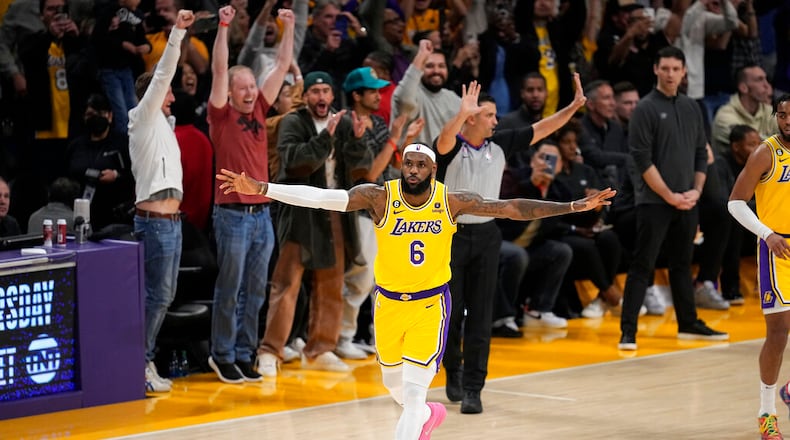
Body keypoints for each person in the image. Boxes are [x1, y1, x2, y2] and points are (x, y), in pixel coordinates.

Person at [217, 147, 615, 440]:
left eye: (420, 164)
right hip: (388, 305)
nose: (412, 169)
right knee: (396, 388)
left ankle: (417, 415)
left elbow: (511, 207)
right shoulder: (380, 197)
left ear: (433, 169)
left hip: (430, 306)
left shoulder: (451, 201)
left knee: (411, 392)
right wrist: (262, 188)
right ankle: (426, 415)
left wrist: (572, 206)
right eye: (408, 163)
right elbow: (323, 199)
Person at [435, 75, 587, 415]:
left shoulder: (500, 143)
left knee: (481, 315)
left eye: (495, 115)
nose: (495, 121)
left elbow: (542, 129)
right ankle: (453, 370)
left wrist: (572, 107)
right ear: (471, 119)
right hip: (451, 236)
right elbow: (443, 141)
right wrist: (461, 113)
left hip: (487, 236)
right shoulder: (452, 147)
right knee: (451, 313)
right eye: (488, 115)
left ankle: (474, 387)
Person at [254, 70, 372, 377]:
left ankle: (320, 349)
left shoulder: (344, 123)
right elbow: (295, 163)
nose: (321, 97)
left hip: (335, 210)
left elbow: (361, 171)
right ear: (305, 96)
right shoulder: (293, 123)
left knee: (331, 284)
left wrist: (358, 140)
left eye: (326, 91)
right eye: (315, 91)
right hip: (300, 212)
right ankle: (270, 350)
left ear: (332, 96)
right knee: (287, 283)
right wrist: (324, 138)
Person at [618, 46, 728, 351]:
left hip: (687, 200)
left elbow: (701, 153)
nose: (670, 74)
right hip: (654, 202)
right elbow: (642, 160)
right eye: (664, 68)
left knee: (683, 263)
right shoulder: (645, 108)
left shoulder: (692, 107)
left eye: (675, 69)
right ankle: (628, 331)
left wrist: (696, 191)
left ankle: (688, 322)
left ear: (683, 72)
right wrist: (669, 196)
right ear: (655, 69)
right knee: (643, 264)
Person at [206, 5, 294, 384]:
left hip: (262, 214)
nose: (249, 92)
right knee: (231, 289)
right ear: (230, 92)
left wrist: (288, 26)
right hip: (231, 213)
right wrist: (224, 26)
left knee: (257, 290)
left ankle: (245, 353)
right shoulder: (220, 114)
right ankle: (222, 355)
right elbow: (219, 69)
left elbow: (283, 64)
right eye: (242, 88)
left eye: (251, 86)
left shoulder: (259, 107)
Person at [128, 8, 195, 393]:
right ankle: (140, 363)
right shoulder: (141, 118)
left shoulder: (164, 127)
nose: (172, 94)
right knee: (157, 295)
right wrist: (177, 34)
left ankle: (142, 360)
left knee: (163, 295)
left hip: (172, 223)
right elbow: (164, 73)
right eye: (167, 89)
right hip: (155, 224)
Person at [728, 93, 790, 440]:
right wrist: (767, 234)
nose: (788, 121)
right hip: (776, 248)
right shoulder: (766, 153)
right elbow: (735, 203)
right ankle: (767, 413)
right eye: (782, 115)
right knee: (779, 332)